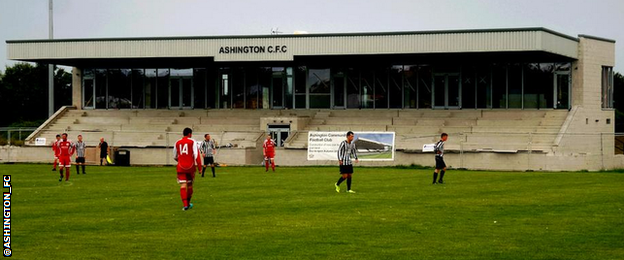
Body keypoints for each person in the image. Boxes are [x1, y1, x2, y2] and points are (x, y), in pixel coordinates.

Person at [173, 128, 202, 211]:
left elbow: (174, 156)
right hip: (190, 167)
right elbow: (196, 155)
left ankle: (185, 205)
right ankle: (188, 203)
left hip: (181, 166)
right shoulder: (192, 141)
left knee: (183, 185)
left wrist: (180, 160)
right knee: (190, 185)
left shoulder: (177, 142)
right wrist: (199, 168)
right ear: (190, 134)